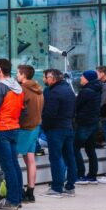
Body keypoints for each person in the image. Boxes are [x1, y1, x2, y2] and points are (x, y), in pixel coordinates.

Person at [0, 58, 24, 210]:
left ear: (0, 70)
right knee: (14, 165)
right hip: (14, 127)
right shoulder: (17, 87)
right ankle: (17, 198)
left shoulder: (0, 88)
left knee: (7, 166)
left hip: (2, 128)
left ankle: (12, 200)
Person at [41, 69, 77, 197]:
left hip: (56, 129)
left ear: (52, 78)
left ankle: (57, 188)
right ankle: (70, 186)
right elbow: (73, 110)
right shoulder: (69, 90)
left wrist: (45, 127)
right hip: (68, 127)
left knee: (55, 158)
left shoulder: (54, 92)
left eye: (45, 77)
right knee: (70, 158)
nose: (44, 80)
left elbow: (50, 114)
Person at [16, 65, 44, 202]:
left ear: (23, 75)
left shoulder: (22, 89)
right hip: (35, 127)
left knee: (13, 159)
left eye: (18, 73)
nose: (17, 75)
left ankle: (18, 189)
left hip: (24, 127)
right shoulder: (39, 89)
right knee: (30, 160)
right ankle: (30, 191)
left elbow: (18, 108)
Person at [73, 69, 103, 184]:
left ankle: (80, 174)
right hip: (93, 122)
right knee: (90, 150)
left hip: (84, 123)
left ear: (88, 78)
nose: (81, 78)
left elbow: (77, 105)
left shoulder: (86, 91)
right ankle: (92, 175)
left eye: (82, 76)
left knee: (74, 148)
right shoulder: (97, 89)